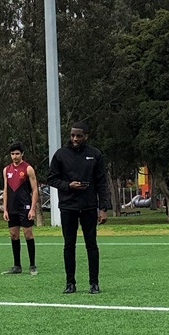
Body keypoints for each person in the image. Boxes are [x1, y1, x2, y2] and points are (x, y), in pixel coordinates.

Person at [47, 122, 110, 294]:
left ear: (86, 136)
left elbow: (101, 183)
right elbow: (52, 179)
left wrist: (103, 207)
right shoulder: (60, 155)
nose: (75, 138)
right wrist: (68, 185)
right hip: (68, 206)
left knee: (91, 245)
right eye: (73, 135)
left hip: (89, 206)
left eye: (79, 136)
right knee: (69, 245)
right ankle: (70, 283)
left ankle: (94, 283)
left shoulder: (95, 154)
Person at [1, 143, 39, 275]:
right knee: (13, 235)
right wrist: (5, 209)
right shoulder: (7, 170)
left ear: (22, 154)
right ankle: (17, 265)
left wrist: (32, 208)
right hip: (12, 208)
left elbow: (35, 190)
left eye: (17, 153)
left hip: (25, 207)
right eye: (12, 154)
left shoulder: (28, 169)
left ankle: (32, 265)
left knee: (28, 234)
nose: (15, 156)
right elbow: (5, 190)